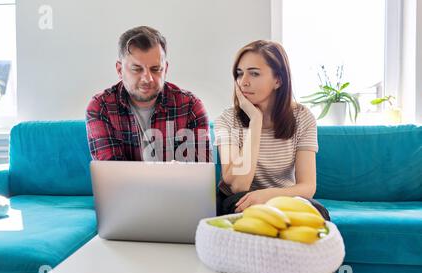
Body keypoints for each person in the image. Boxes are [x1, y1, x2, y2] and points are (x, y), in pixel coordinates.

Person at [214, 40, 329, 220]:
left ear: (278, 80)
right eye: (239, 73)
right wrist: (255, 121)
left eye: (254, 73)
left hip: (283, 198)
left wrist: (267, 196)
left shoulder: (303, 118)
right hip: (238, 199)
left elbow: (307, 187)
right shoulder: (227, 120)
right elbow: (238, 185)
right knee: (248, 212)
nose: (243, 82)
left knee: (318, 212)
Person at [86, 26, 211, 162]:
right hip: (128, 184)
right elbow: (110, 173)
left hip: (177, 184)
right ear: (119, 70)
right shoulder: (101, 107)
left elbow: (199, 170)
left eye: (156, 69)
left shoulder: (191, 107)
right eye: (137, 69)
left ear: (165, 69)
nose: (148, 79)